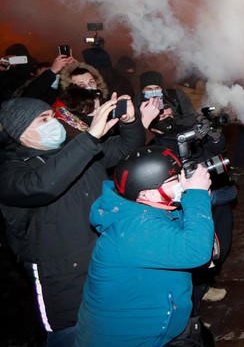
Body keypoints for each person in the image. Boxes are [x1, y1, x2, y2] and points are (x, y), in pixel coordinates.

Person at [0, 95, 145, 344]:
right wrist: (89, 138)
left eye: (52, 116)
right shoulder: (11, 170)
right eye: (42, 119)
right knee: (73, 337)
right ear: (20, 131)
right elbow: (45, 185)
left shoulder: (73, 150)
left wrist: (130, 122)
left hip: (104, 260)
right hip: (63, 277)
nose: (52, 123)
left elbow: (126, 149)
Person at [75, 147, 214, 345]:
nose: (183, 184)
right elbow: (197, 251)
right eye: (174, 181)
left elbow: (204, 242)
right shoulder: (133, 227)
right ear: (147, 194)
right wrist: (197, 196)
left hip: (160, 331)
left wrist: (197, 201)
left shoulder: (152, 209)